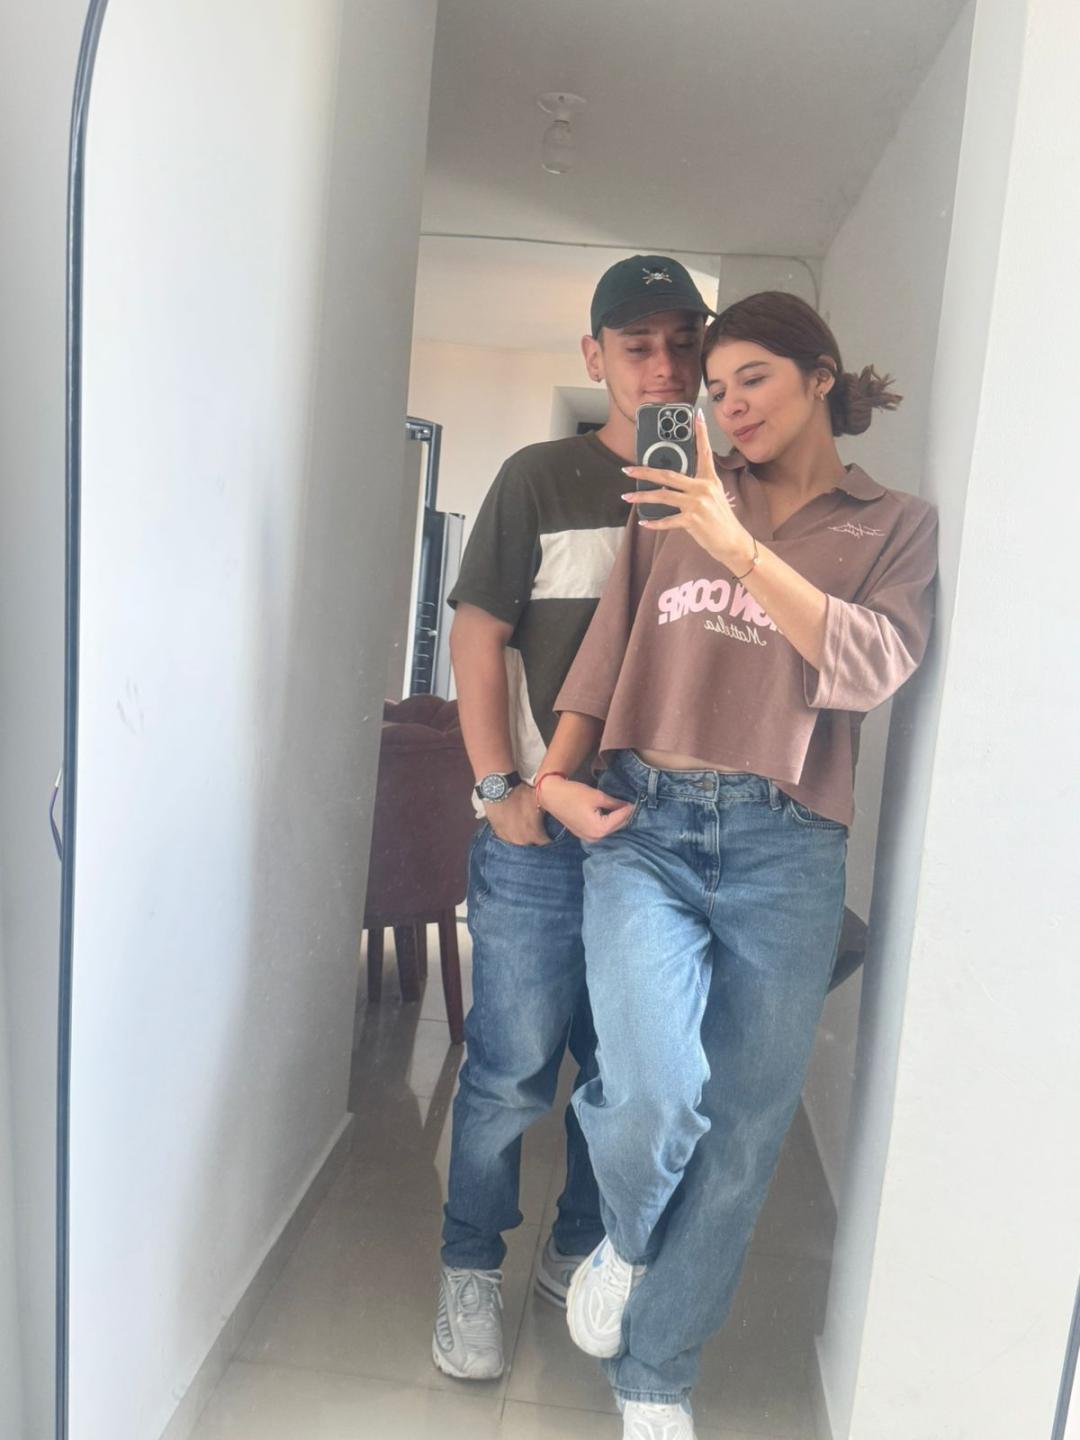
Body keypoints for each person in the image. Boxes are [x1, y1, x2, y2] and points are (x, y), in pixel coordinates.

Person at [533, 291, 939, 1439]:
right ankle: (625, 1240)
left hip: (788, 845)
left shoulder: (893, 524)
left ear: (822, 375)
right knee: (655, 1089)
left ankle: (655, 1376)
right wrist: (549, 778)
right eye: (715, 390)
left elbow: (870, 666)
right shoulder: (678, 498)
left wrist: (737, 547)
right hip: (646, 824)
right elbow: (606, 648)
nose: (729, 405)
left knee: (747, 1131)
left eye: (751, 378)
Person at [432, 256, 715, 1381]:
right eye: (638, 345)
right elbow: (478, 636)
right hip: (542, 834)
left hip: (672, 837)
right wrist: (496, 788)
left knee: (626, 1071)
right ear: (595, 356)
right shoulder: (538, 478)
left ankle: (578, 1244)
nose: (664, 366)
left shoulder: (730, 489)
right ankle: (469, 1263)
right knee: (509, 1066)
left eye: (683, 343)